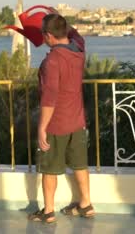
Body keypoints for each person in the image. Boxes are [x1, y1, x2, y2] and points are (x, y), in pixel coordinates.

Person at [29, 13, 95, 223]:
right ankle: (86, 204)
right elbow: (76, 35)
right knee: (80, 165)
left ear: (48, 35)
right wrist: (59, 18)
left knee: (50, 169)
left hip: (56, 124)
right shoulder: (79, 49)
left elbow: (49, 98)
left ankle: (48, 211)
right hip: (77, 120)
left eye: (43, 33)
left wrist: (42, 128)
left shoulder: (53, 61)